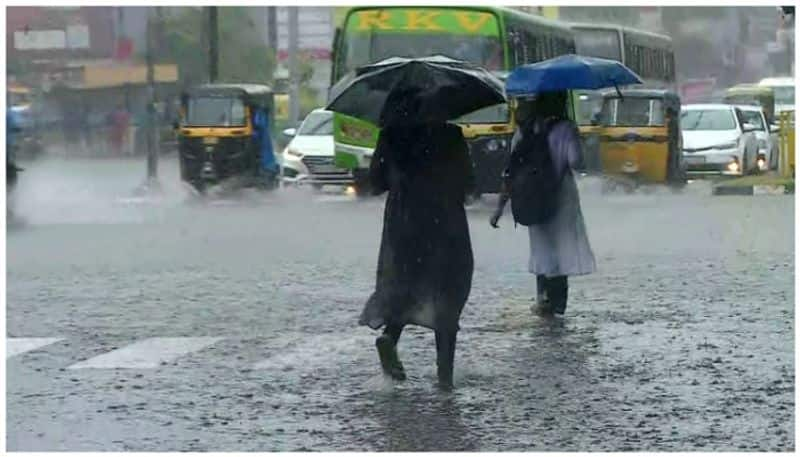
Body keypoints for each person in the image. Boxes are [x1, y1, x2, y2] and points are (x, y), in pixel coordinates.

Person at [359, 92, 475, 390]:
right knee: (446, 288)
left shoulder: (392, 135)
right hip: (445, 219)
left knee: (404, 282)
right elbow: (469, 183)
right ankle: (444, 378)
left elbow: (376, 182)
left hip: (404, 221)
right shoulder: (450, 134)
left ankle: (390, 336)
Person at [490, 92, 596, 317]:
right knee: (560, 247)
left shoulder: (525, 129)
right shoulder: (565, 128)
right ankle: (558, 303)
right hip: (560, 194)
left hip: (532, 195)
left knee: (542, 248)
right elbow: (577, 162)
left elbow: (511, 170)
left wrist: (500, 208)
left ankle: (543, 298)